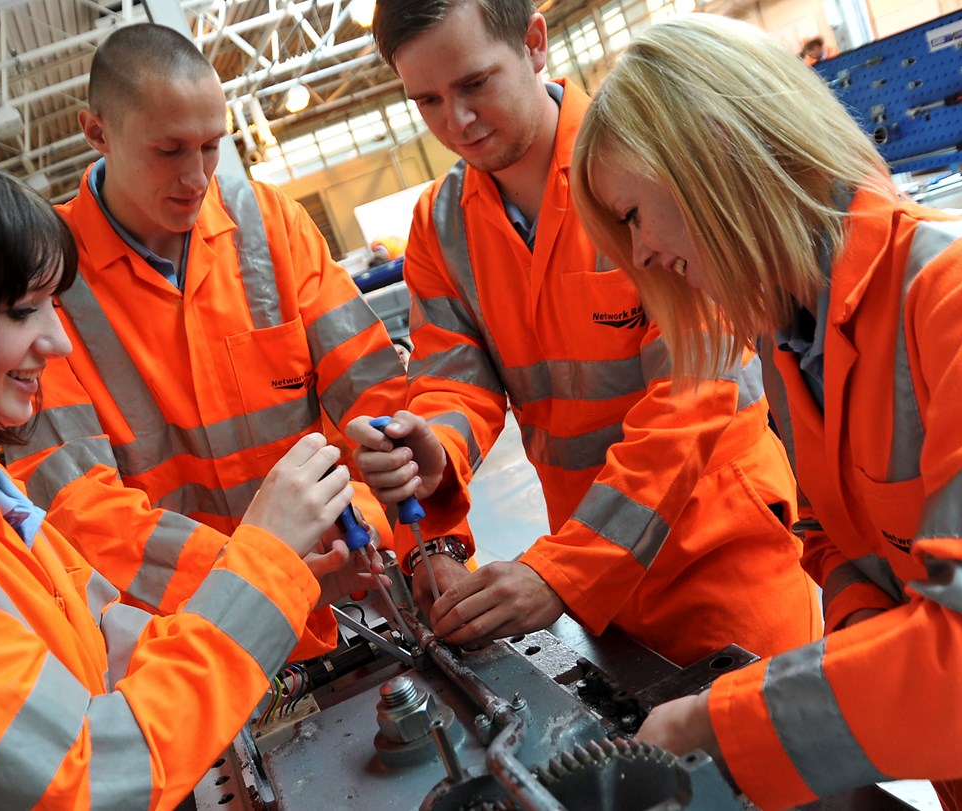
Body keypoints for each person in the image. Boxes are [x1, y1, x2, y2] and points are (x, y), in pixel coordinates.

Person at [0, 148, 369, 809]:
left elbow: (107, 641)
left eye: (53, 306)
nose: (59, 344)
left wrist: (287, 583)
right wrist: (260, 559)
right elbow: (85, 779)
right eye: (19, 312)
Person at [571, 13, 962, 810]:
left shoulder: (951, 303)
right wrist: (874, 642)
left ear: (714, 155)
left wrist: (714, 724)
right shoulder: (793, 348)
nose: (643, 253)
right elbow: (834, 544)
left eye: (631, 215)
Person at [345, 0, 821, 668]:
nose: (456, 121)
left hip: (720, 554)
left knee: (773, 761)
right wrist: (435, 447)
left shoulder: (641, 171)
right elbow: (454, 381)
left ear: (534, 43)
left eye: (474, 84)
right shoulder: (442, 225)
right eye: (426, 100)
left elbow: (696, 389)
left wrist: (565, 569)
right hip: (602, 588)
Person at [3, 24, 408, 649]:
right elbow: (77, 509)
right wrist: (263, 573)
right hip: (188, 638)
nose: (197, 177)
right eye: (169, 151)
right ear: (96, 131)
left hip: (346, 593)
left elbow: (379, 404)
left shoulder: (271, 228)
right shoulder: (48, 281)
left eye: (211, 147)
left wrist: (364, 525)